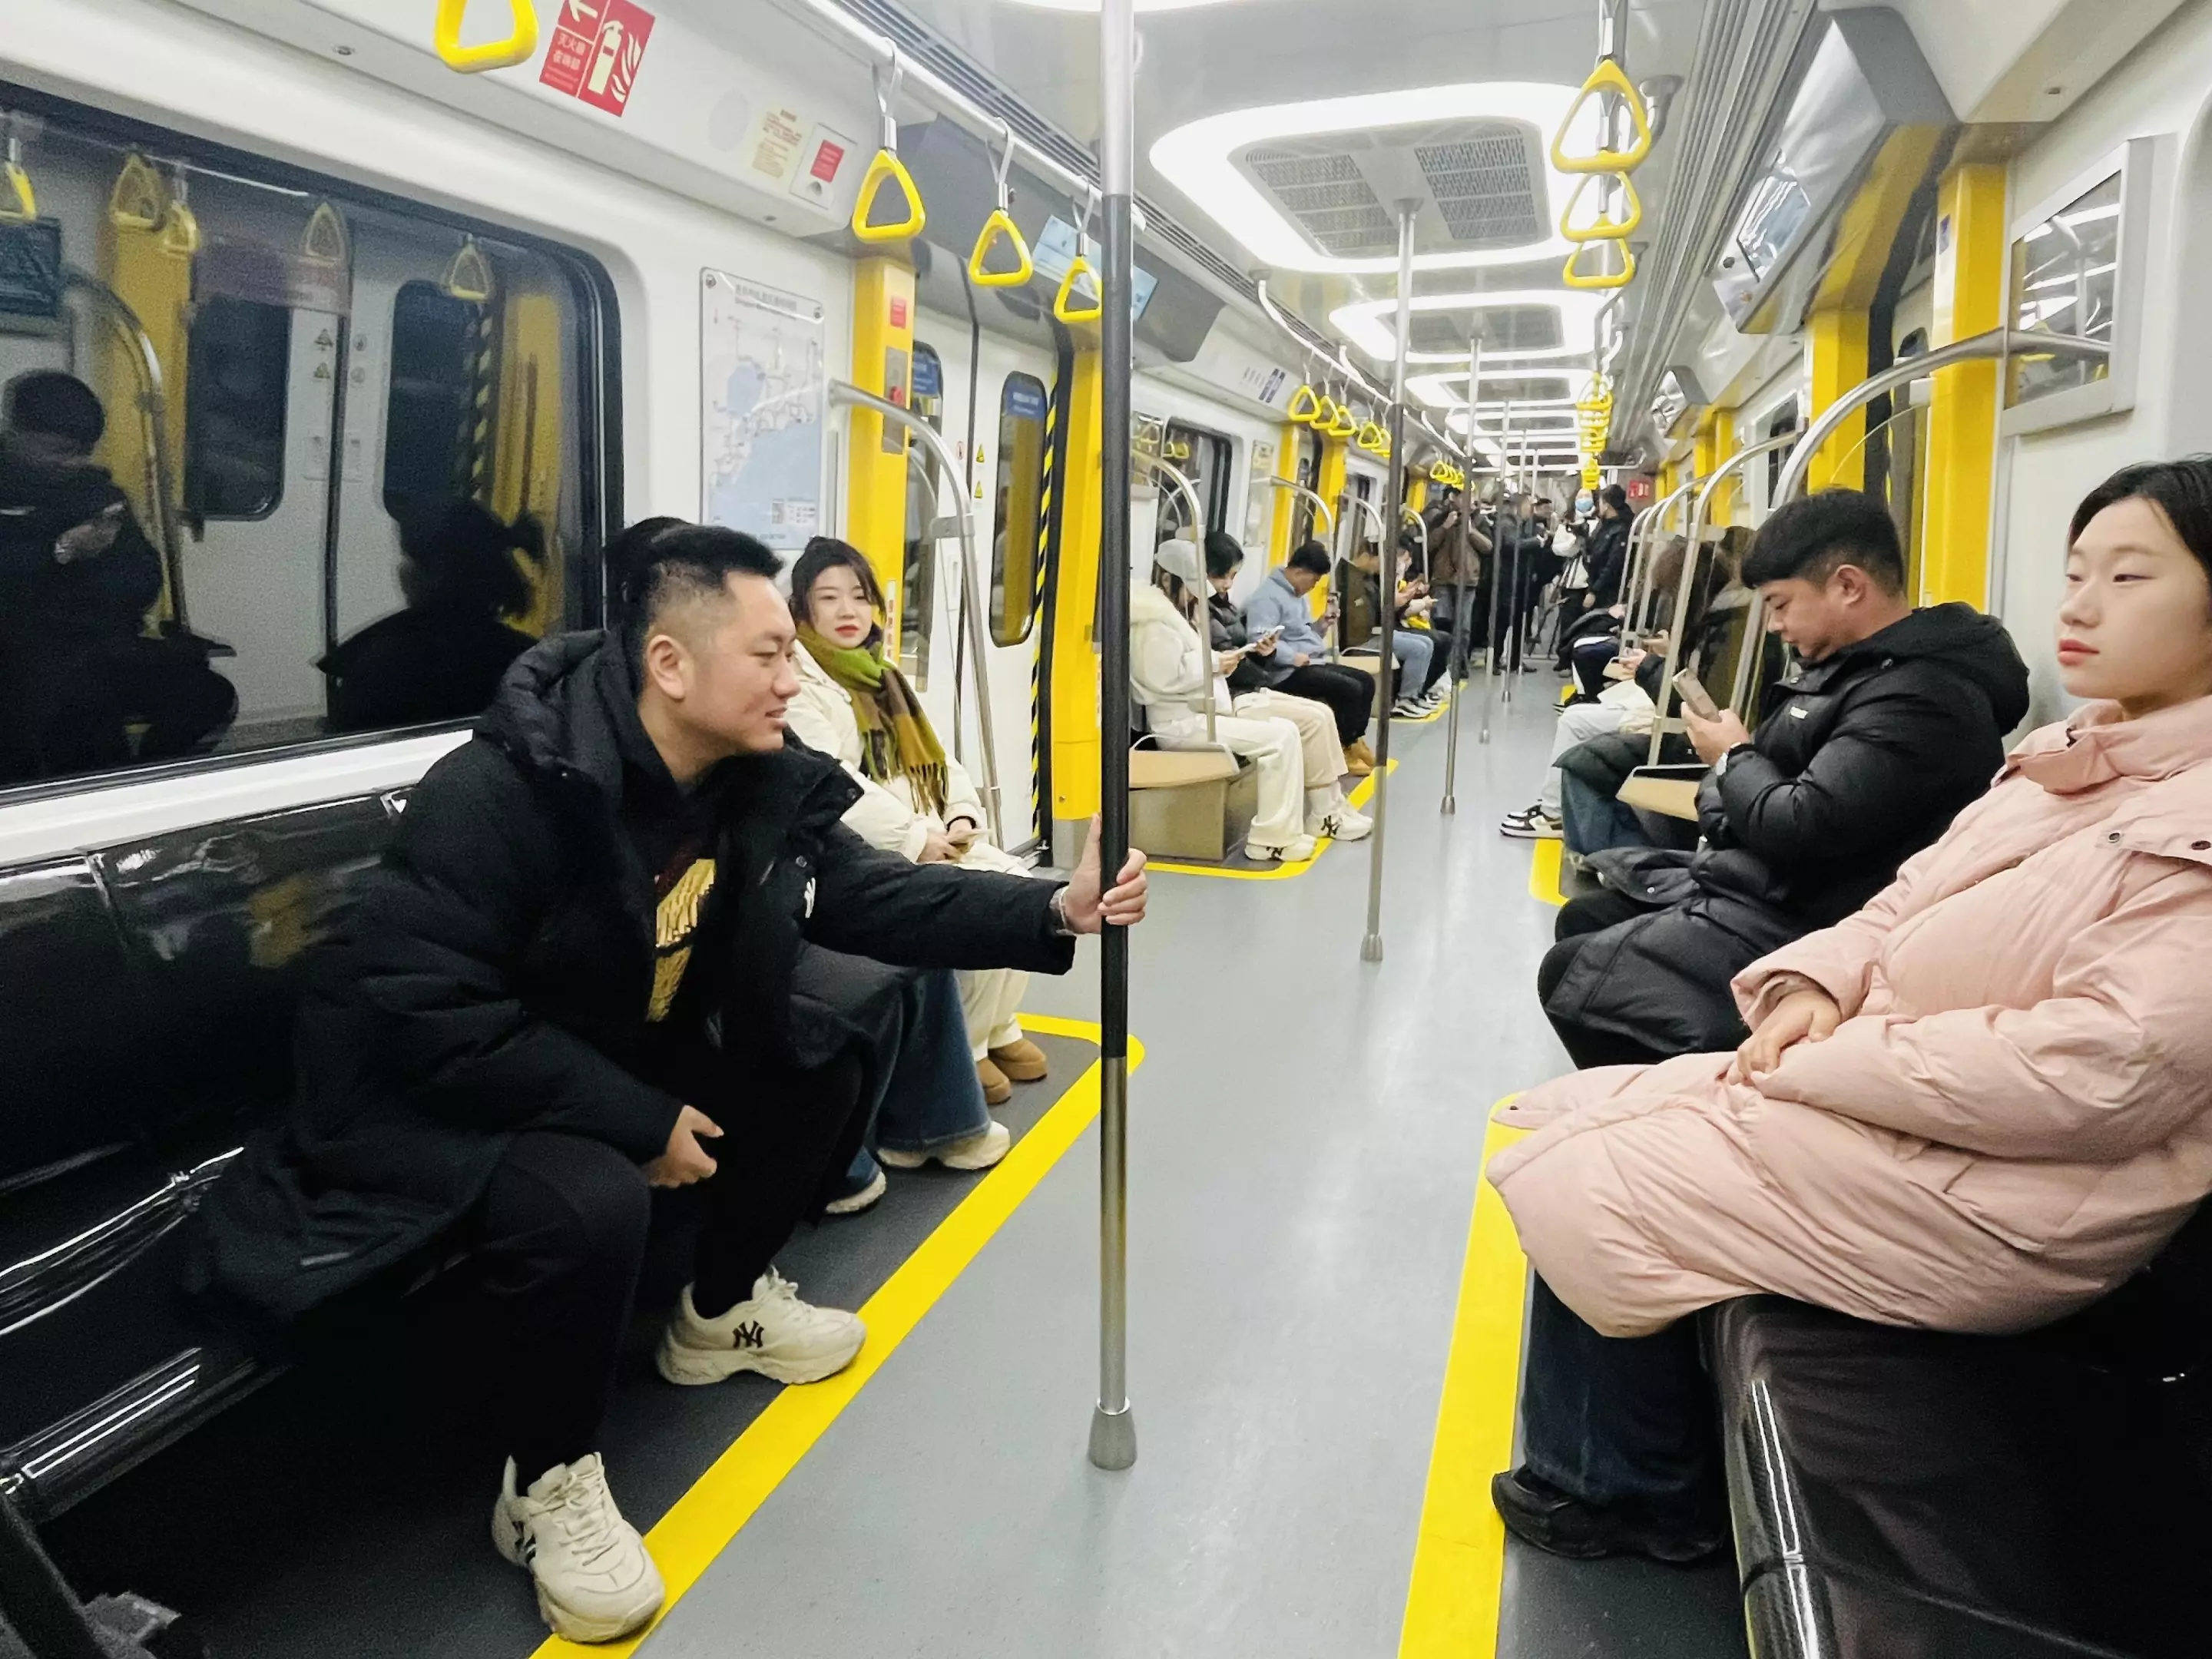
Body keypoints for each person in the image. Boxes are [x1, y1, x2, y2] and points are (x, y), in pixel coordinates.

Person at [194, 519, 1148, 1643]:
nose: (796, 678)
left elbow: (865, 894)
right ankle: (546, 1482)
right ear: (670, 665)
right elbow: (426, 1011)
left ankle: (720, 1310)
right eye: (771, 655)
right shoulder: (501, 793)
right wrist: (637, 1118)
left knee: (829, 1046)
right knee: (589, 1200)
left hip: (591, 1045)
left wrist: (1050, 907)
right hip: (432, 1092)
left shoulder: (749, 777)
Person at [1488, 455, 2212, 1565]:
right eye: (2075, 571)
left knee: (1592, 1176)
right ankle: (1638, 1447)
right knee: (1576, 1114)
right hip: (1919, 1103)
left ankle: (1626, 1496)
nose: (2076, 604)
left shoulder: (2166, 809)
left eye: (2127, 577)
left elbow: (2097, 1074)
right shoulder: (2078, 758)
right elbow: (1912, 895)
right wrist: (1817, 986)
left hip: (2022, 1196)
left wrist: (1830, 1057)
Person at [1538, 489, 2031, 1069]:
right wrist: (1738, 780)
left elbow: (1796, 823)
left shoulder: (1919, 700)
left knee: (1569, 972)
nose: (1772, 625)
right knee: (1586, 915)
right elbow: (1742, 802)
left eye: (1780, 604)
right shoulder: (1846, 672)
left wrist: (1733, 761)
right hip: (1768, 881)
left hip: (1812, 914)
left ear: (1848, 587)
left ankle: (1680, 1098)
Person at [782, 533, 1054, 1108]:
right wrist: (914, 837)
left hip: (927, 826)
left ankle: (999, 1025)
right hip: (868, 845)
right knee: (975, 906)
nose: (848, 611)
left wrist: (958, 811)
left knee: (1019, 882)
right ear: (803, 609)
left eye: (858, 596)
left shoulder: (882, 674)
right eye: (828, 599)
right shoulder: (801, 683)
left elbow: (936, 757)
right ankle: (970, 1045)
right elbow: (833, 780)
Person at [0, 370, 235, 780]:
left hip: (100, 645)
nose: (73, 463)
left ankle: (145, 780)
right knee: (85, 712)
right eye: (60, 450)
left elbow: (143, 580)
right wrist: (61, 552)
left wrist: (98, 561)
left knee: (207, 695)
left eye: (82, 452)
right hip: (21, 653)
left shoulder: (97, 495)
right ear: (16, 431)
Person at [1131, 538, 1316, 862]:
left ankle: (1280, 832)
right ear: (1166, 579)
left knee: (1286, 731)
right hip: (1180, 725)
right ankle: (1270, 838)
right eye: (1190, 587)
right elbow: (1160, 677)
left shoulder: (1177, 616)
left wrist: (1222, 660)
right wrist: (1216, 664)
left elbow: (1188, 664)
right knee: (1278, 740)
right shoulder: (1152, 623)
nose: (1195, 594)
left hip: (1200, 714)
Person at [1195, 535, 1372, 842]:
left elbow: (1240, 648)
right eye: (1221, 576)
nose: (1227, 585)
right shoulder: (1208, 613)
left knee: (1328, 708)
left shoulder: (1222, 607)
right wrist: (1260, 663)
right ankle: (1311, 816)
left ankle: (1330, 806)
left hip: (1248, 680)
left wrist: (1319, 628)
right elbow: (1213, 661)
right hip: (1248, 686)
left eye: (1232, 577)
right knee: (1319, 713)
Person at [320, 498, 548, 733]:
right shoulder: (531, 662)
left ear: (434, 573)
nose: (401, 570)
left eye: (407, 558)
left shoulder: (382, 667)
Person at [1240, 539, 1379, 773]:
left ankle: (1354, 740)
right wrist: (1291, 656)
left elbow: (1303, 632)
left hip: (1309, 661)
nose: (1314, 586)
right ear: (1298, 571)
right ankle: (1342, 749)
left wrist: (1321, 625)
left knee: (1365, 681)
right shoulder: (1267, 598)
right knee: (1349, 689)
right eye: (1314, 580)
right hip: (1283, 672)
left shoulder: (1297, 594)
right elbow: (1258, 639)